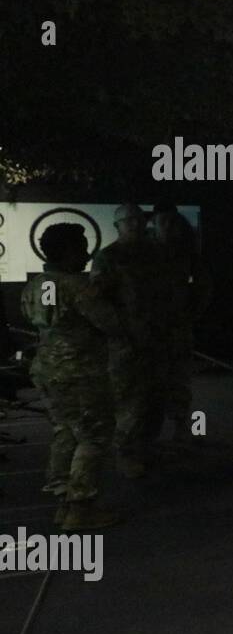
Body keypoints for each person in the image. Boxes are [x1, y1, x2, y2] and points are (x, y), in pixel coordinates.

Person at [21, 223, 122, 529]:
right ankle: (81, 507)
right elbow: (111, 323)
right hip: (81, 372)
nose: (86, 252)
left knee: (65, 431)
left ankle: (63, 500)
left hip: (47, 370)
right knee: (93, 434)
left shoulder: (35, 285)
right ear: (68, 250)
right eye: (80, 246)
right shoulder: (79, 287)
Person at [91, 203, 166, 478]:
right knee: (128, 400)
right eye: (128, 220)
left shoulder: (158, 254)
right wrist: (117, 332)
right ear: (117, 226)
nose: (135, 224)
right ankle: (125, 453)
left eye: (138, 219)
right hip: (126, 343)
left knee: (156, 397)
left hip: (158, 338)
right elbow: (98, 301)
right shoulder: (108, 258)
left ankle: (147, 447)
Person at [152, 209, 212, 443]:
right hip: (148, 328)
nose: (167, 228)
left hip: (176, 326)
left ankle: (181, 428)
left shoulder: (186, 255)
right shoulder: (144, 254)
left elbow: (203, 286)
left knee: (178, 380)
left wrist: (191, 312)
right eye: (162, 223)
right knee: (147, 385)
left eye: (171, 223)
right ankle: (148, 435)